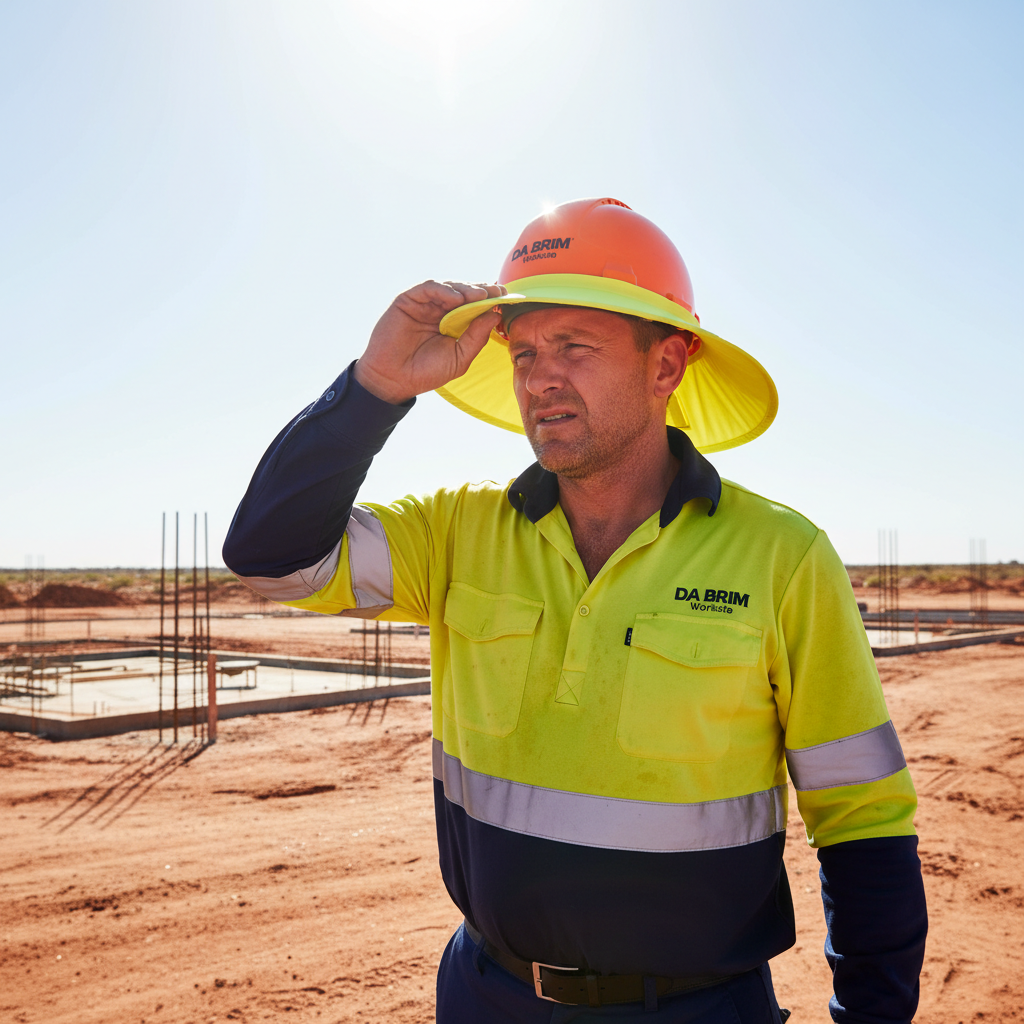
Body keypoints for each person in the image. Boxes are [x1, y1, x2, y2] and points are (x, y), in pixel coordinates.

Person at [223, 198, 927, 1022]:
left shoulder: (782, 557)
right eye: (523, 353)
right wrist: (374, 387)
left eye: (573, 347)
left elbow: (862, 817)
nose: (538, 377)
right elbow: (274, 558)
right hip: (489, 995)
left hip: (699, 1009)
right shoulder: (459, 532)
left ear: (667, 364)